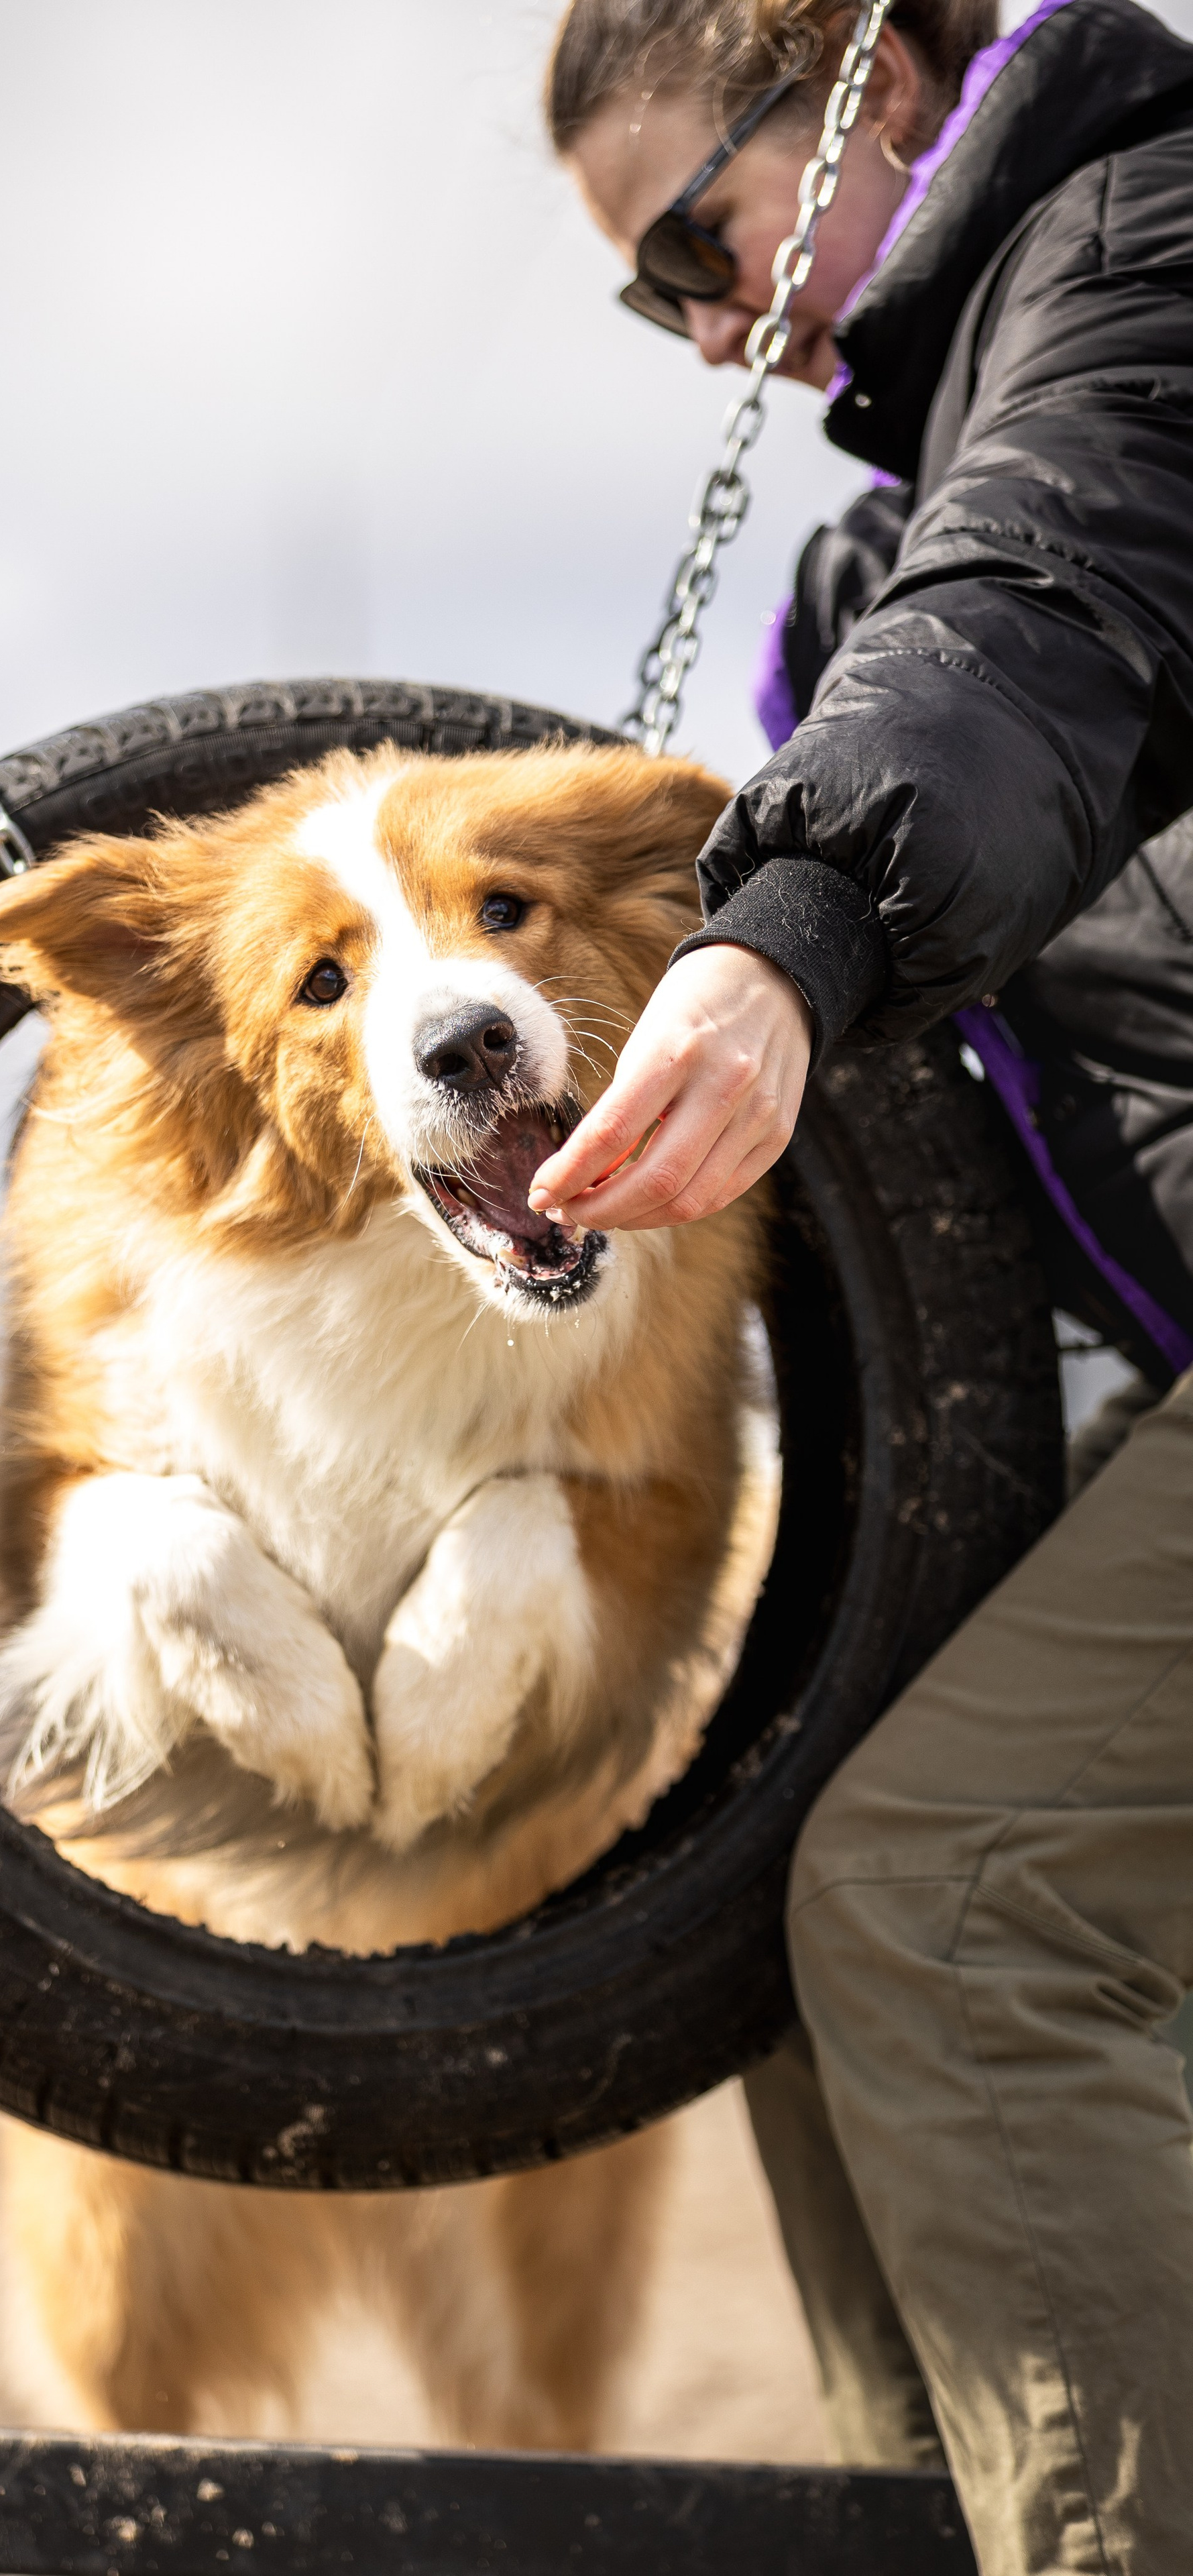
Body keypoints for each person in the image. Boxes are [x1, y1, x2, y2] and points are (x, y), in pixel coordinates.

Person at [532, 1, 1193, 2567]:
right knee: (797, 1871)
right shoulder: (857, 564)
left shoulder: (1145, 248)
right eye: (649, 303)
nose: (711, 329)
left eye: (704, 238)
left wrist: (799, 930)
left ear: (891, 81)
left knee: (951, 1894)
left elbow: (1043, 606)